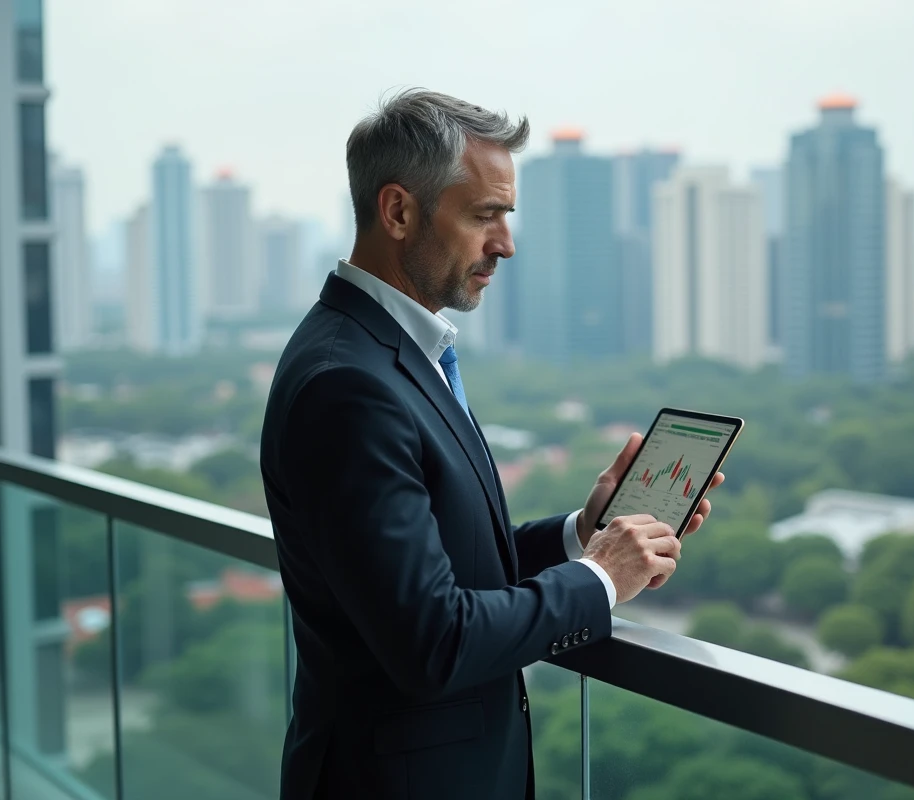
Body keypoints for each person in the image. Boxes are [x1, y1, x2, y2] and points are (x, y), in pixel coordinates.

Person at [260, 89, 722, 800]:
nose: (504, 243)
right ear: (398, 211)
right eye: (485, 215)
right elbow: (433, 639)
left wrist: (580, 534)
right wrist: (602, 578)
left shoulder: (387, 354)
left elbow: (440, 565)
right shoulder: (347, 384)